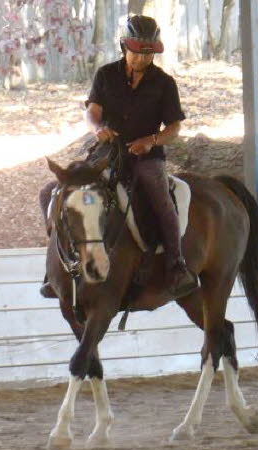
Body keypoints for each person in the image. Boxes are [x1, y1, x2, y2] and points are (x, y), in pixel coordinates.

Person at [40, 15, 198, 298]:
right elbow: (92, 111)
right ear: (124, 46)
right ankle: (57, 264)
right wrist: (97, 128)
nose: (141, 59)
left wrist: (151, 141)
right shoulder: (105, 74)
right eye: (137, 53)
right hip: (106, 153)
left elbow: (174, 127)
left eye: (148, 54)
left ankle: (176, 265)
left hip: (146, 157)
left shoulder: (164, 83)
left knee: (162, 201)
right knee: (51, 193)